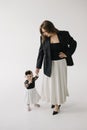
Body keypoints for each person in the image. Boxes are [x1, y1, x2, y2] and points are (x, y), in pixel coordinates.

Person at [35, 20, 77, 115]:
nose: (44, 33)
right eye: (43, 32)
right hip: (48, 64)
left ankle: (57, 104)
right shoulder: (43, 37)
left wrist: (66, 54)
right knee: (50, 84)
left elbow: (74, 43)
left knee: (58, 84)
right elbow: (41, 52)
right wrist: (38, 67)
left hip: (60, 64)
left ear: (51, 28)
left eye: (46, 31)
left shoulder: (64, 34)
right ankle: (54, 100)